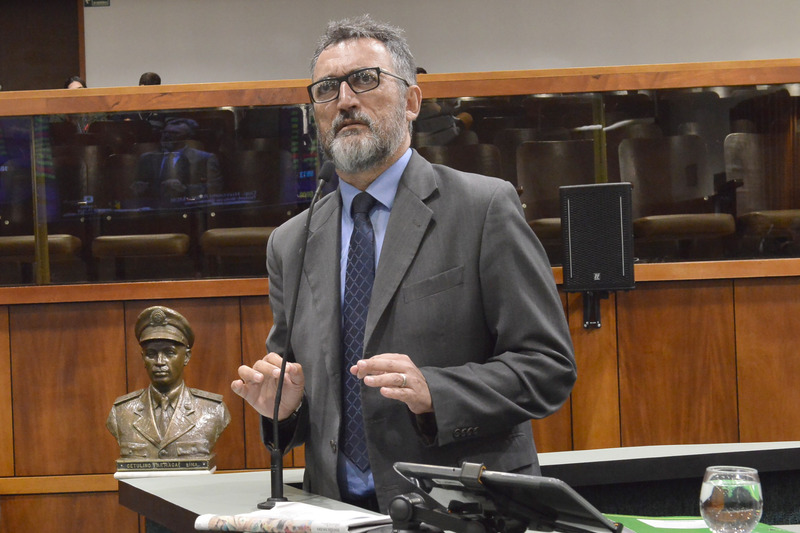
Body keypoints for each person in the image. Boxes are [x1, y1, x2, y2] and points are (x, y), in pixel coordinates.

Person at [231, 15, 576, 512]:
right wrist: (283, 411)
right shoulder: (291, 242)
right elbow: (298, 393)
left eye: (364, 80)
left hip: (463, 508)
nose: (345, 100)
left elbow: (548, 366)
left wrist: (436, 390)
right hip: (337, 513)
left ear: (412, 102)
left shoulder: (483, 208)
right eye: (327, 89)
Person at [106, 306, 230, 468]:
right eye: (151, 354)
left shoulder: (213, 410)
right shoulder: (122, 412)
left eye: (169, 353)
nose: (159, 362)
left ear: (186, 357)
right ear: (143, 358)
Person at [131, 117, 223, 207]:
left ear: (188, 137)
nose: (166, 136)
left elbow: (215, 188)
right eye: (165, 132)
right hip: (154, 209)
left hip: (189, 207)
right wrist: (137, 187)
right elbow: (135, 186)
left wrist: (184, 189)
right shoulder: (147, 158)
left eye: (174, 133)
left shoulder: (205, 158)